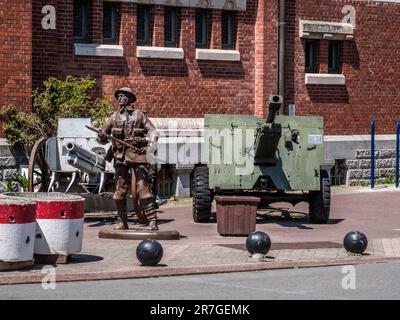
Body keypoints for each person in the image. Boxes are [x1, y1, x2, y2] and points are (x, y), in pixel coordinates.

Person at [98, 87, 159, 231]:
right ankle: (122, 221)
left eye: (123, 96)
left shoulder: (139, 115)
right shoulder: (113, 117)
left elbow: (152, 131)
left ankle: (152, 220)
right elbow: (102, 138)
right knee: (120, 190)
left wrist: (150, 144)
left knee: (143, 187)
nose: (119, 98)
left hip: (138, 155)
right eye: (118, 96)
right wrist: (101, 136)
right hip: (120, 156)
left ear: (129, 98)